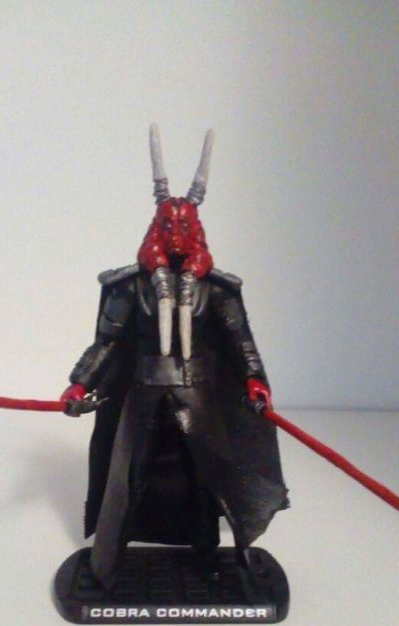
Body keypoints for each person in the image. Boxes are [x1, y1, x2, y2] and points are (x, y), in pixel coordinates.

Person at [61, 126, 288, 587]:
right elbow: (107, 343)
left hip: (200, 397)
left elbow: (240, 342)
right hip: (143, 394)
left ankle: (213, 560)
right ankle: (107, 566)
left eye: (184, 226)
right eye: (168, 226)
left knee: (208, 480)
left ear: (197, 229)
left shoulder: (216, 290)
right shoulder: (131, 287)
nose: (176, 234)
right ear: (156, 229)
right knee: (128, 478)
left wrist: (255, 380)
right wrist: (80, 382)